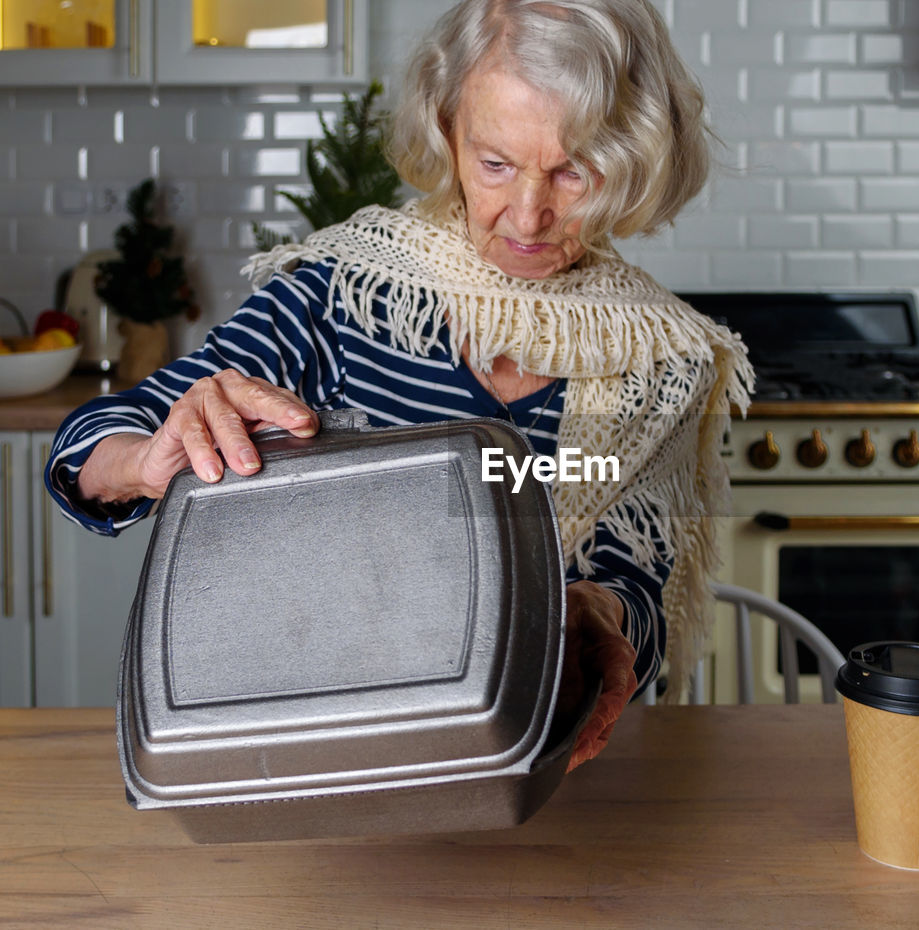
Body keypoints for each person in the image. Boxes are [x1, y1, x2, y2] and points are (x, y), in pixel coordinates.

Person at [45, 0, 751, 770]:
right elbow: (90, 444)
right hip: (328, 756)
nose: (528, 213)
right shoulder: (343, 297)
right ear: (446, 131)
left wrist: (597, 615)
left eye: (573, 171)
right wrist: (145, 458)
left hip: (544, 768)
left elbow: (633, 580)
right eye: (495, 163)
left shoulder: (659, 357)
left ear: (634, 159)